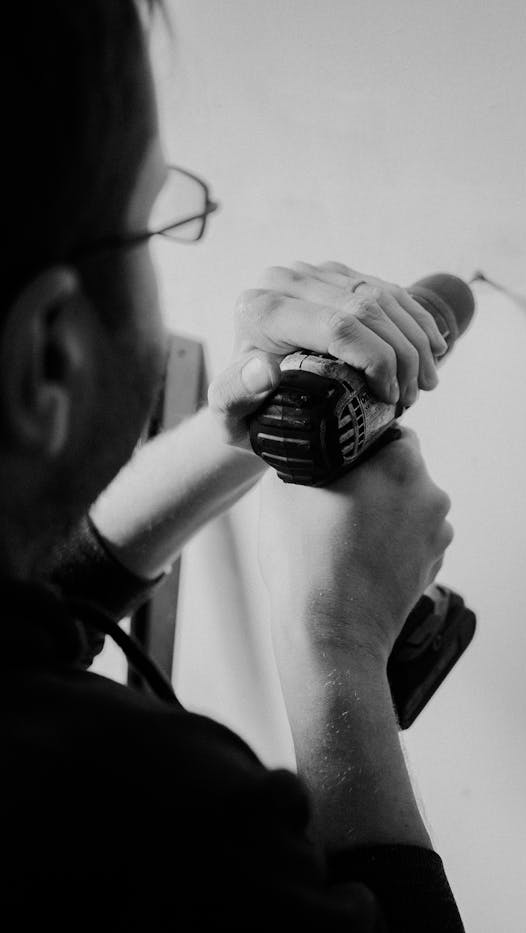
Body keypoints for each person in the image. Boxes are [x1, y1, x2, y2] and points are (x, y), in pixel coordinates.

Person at [2, 2, 464, 929]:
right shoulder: (157, 822)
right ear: (50, 351)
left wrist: (233, 427)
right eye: (147, 222)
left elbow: (33, 605)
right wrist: (336, 652)